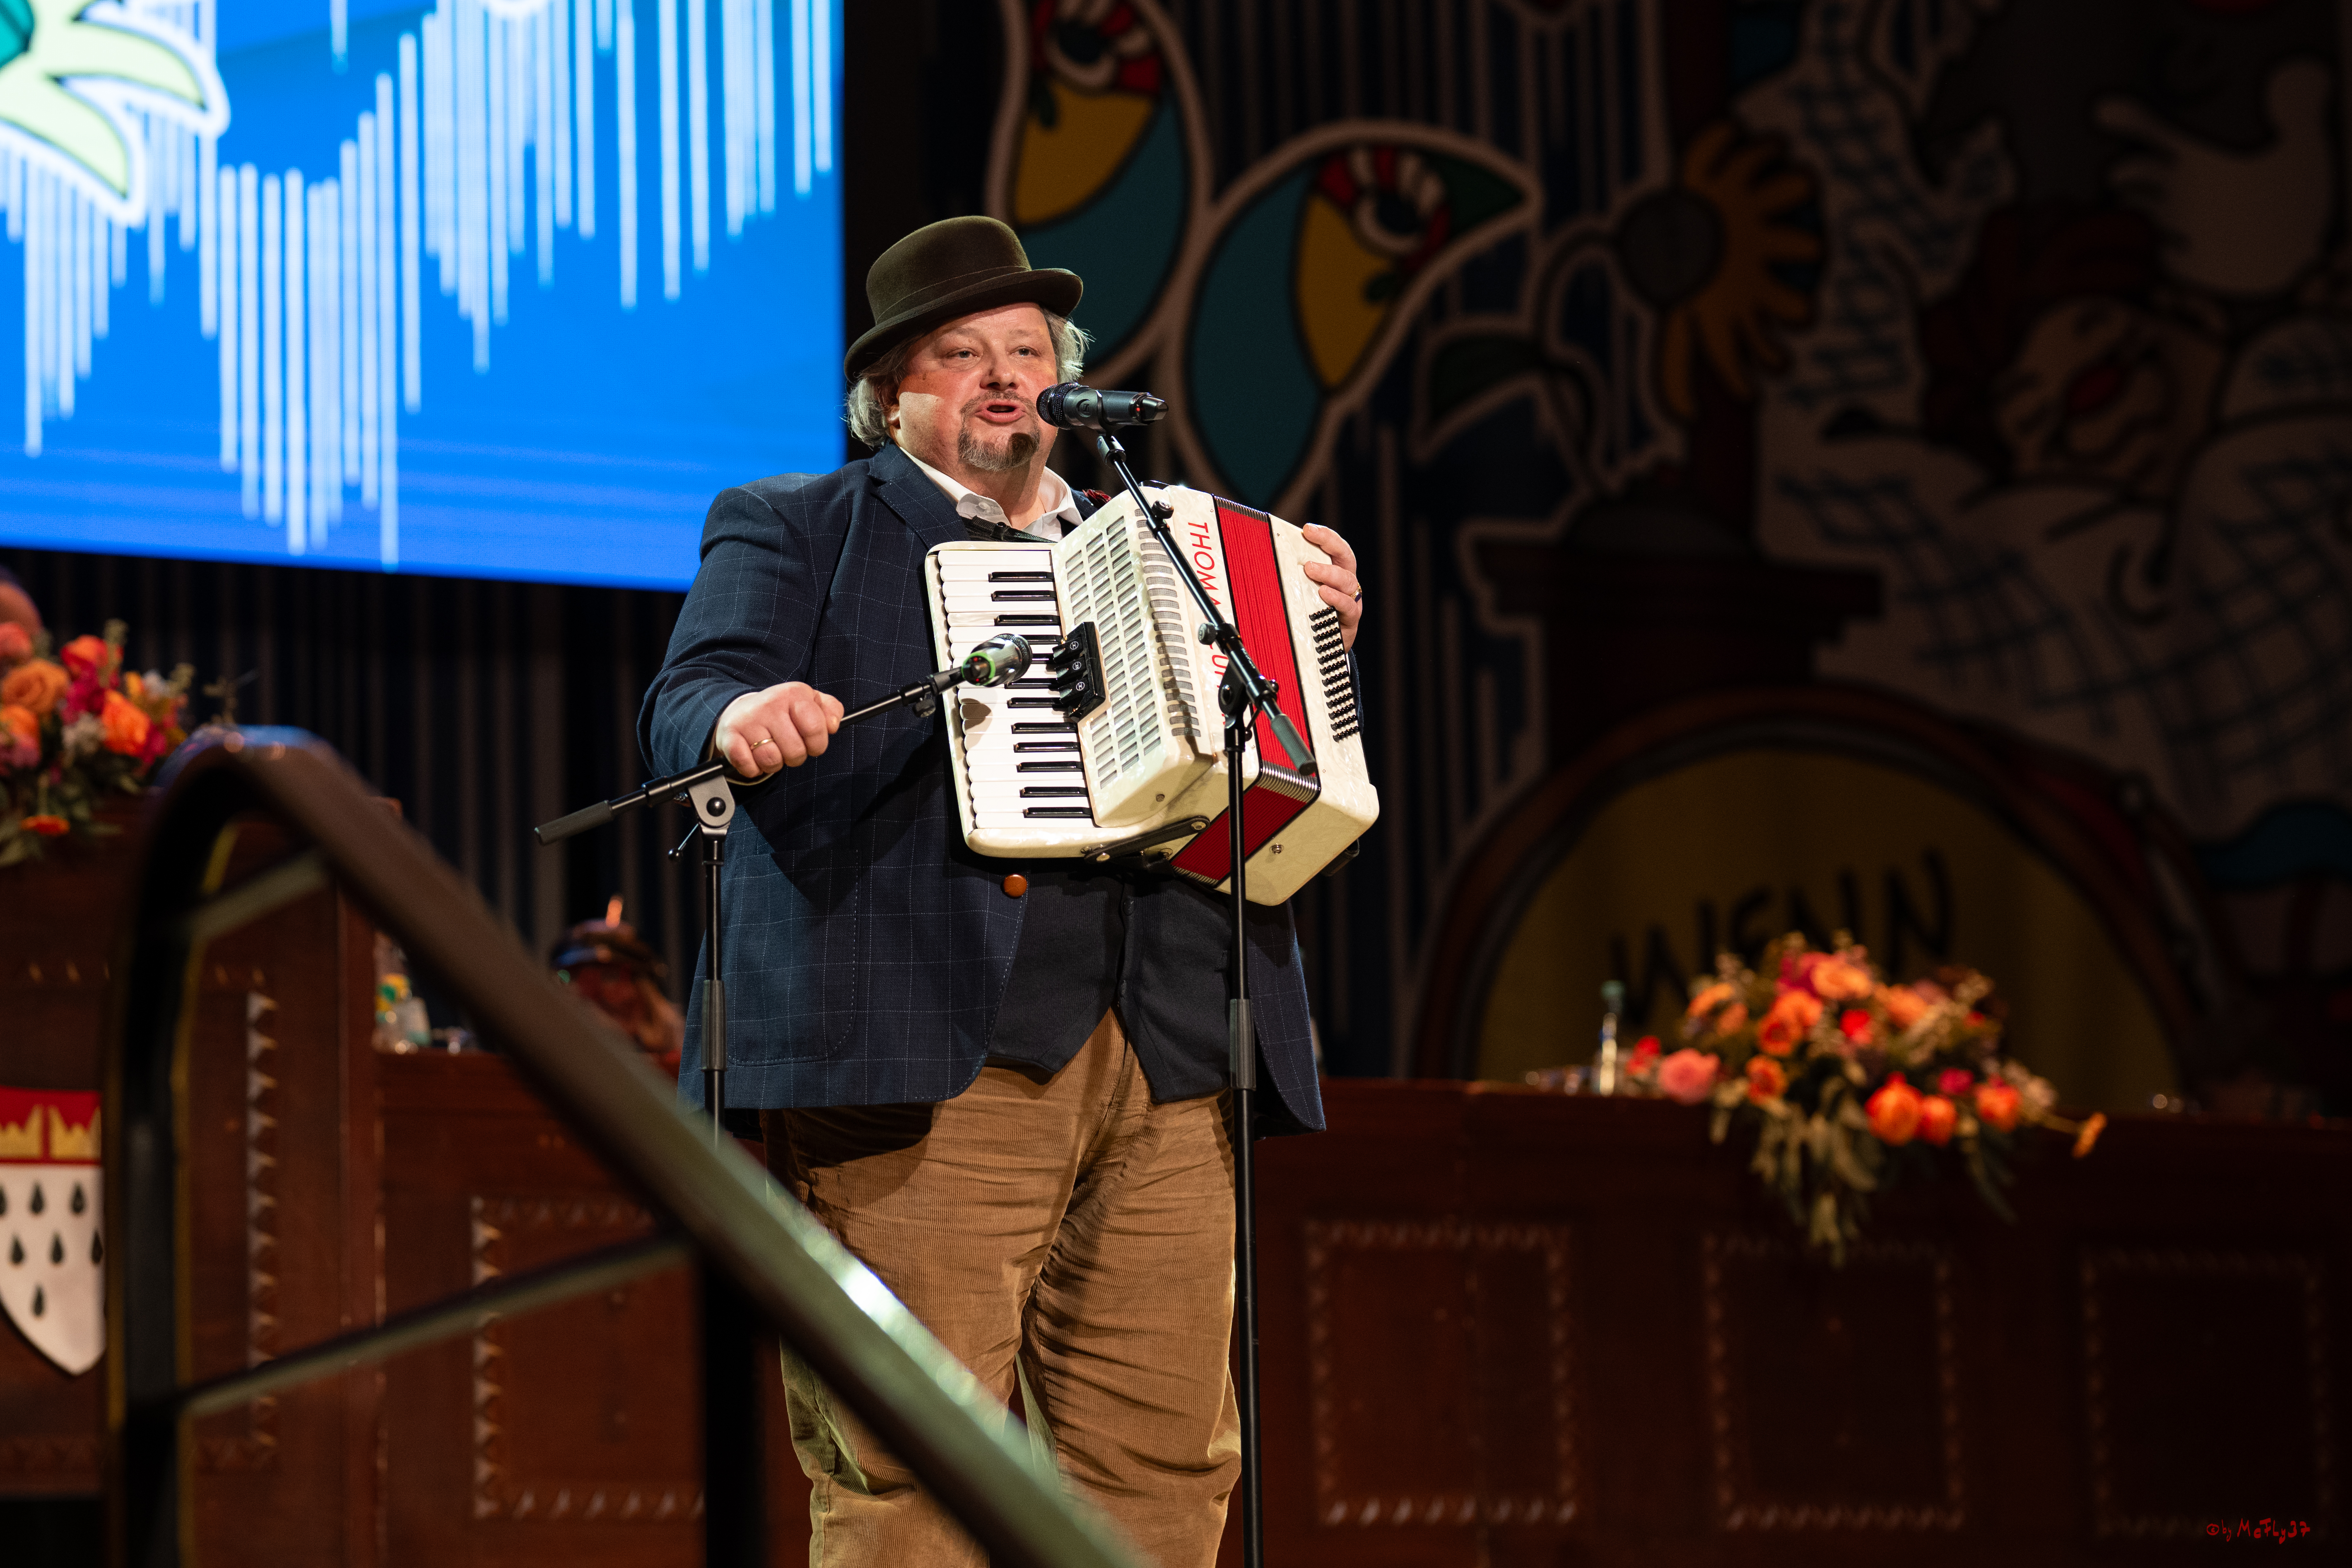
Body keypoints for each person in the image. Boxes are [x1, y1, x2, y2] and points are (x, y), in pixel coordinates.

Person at [638, 216, 1364, 1567]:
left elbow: (1278, 749)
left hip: (1173, 1044)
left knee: (1163, 1459)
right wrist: (742, 712)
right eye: (957, 353)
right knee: (913, 1460)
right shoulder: (801, 522)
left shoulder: (1178, 542)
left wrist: (1315, 630)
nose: (1001, 374)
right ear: (886, 399)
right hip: (927, 1052)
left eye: (1027, 350)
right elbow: (687, 695)